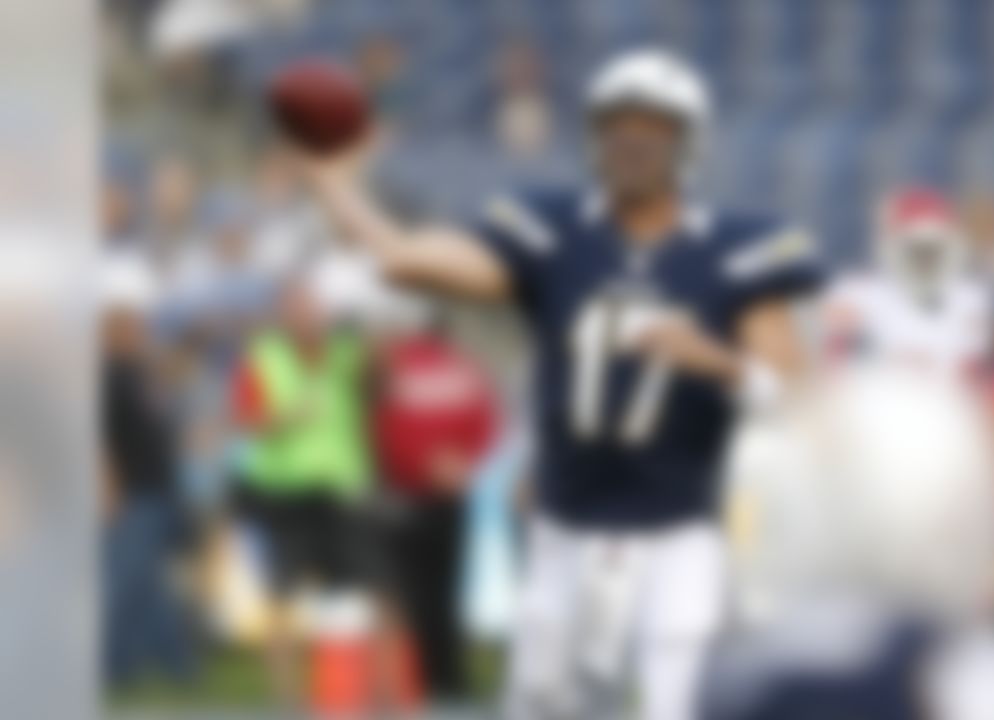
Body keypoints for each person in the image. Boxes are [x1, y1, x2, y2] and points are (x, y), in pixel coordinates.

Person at [292, 48, 821, 720]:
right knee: (543, 706)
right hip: (564, 527)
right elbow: (405, 262)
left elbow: (802, 394)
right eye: (617, 122)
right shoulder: (553, 229)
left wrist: (713, 360)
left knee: (679, 702)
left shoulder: (733, 249)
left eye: (652, 123)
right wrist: (332, 183)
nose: (632, 139)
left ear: (689, 138)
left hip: (681, 528)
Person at [229, 274, 374, 709]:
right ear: (282, 315)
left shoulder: (348, 353)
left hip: (342, 487)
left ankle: (348, 694)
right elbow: (245, 420)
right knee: (281, 597)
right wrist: (284, 418)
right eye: (296, 308)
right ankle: (286, 699)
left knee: (353, 595)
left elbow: (378, 391)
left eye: (312, 307)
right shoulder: (262, 357)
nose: (306, 317)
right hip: (283, 490)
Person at [369, 295, 499, 699]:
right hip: (444, 490)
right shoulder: (464, 365)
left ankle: (420, 679)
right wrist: (461, 464)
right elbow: (487, 421)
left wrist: (424, 465)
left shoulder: (392, 363)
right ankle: (445, 677)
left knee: (408, 594)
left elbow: (381, 427)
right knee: (442, 590)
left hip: (405, 490)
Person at [101, 255, 197, 688]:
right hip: (133, 490)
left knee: (150, 581)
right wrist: (109, 487)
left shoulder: (139, 371)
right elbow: (100, 437)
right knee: (128, 582)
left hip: (160, 487)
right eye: (133, 326)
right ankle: (114, 666)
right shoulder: (108, 374)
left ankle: (174, 666)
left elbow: (173, 380)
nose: (142, 332)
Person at [819, 186, 994, 381]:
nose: (924, 260)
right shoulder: (853, 295)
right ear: (891, 243)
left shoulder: (971, 298)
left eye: (931, 251)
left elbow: (977, 379)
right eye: (916, 251)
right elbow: (835, 373)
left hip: (947, 405)